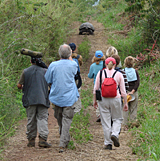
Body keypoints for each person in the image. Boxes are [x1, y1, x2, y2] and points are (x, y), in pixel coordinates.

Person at [45, 44, 79, 153]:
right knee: (65, 120)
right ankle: (64, 139)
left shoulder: (53, 65)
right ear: (70, 53)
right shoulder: (73, 64)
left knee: (61, 119)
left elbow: (48, 79)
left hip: (57, 96)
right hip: (69, 97)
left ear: (59, 53)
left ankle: (62, 143)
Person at [93, 57, 128, 150]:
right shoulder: (119, 74)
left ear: (105, 64)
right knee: (117, 119)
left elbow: (96, 89)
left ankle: (108, 143)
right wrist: (125, 103)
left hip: (103, 99)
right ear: (115, 65)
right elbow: (123, 91)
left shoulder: (100, 73)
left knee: (106, 122)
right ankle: (115, 134)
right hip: (116, 99)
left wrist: (95, 101)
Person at [17, 57, 51, 148]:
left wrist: (23, 86)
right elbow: (50, 84)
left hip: (30, 99)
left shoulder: (26, 71)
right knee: (43, 118)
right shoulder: (45, 71)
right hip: (43, 99)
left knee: (31, 119)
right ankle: (42, 139)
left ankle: (31, 140)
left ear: (31, 61)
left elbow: (19, 85)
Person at [122, 56, 140, 130]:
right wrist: (133, 91)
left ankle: (125, 125)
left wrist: (125, 92)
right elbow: (137, 82)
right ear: (133, 63)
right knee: (133, 108)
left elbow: (121, 82)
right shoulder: (135, 71)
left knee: (125, 109)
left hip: (125, 93)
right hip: (133, 93)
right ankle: (133, 123)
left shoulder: (122, 71)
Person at [88, 50, 105, 122]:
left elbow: (90, 76)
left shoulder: (93, 66)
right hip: (105, 85)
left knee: (98, 100)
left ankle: (99, 114)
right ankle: (105, 114)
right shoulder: (105, 64)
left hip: (97, 86)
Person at [69, 43, 82, 114]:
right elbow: (80, 64)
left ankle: (70, 108)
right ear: (75, 49)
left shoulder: (66, 57)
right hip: (77, 76)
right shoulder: (78, 57)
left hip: (69, 77)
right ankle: (77, 110)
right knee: (77, 92)